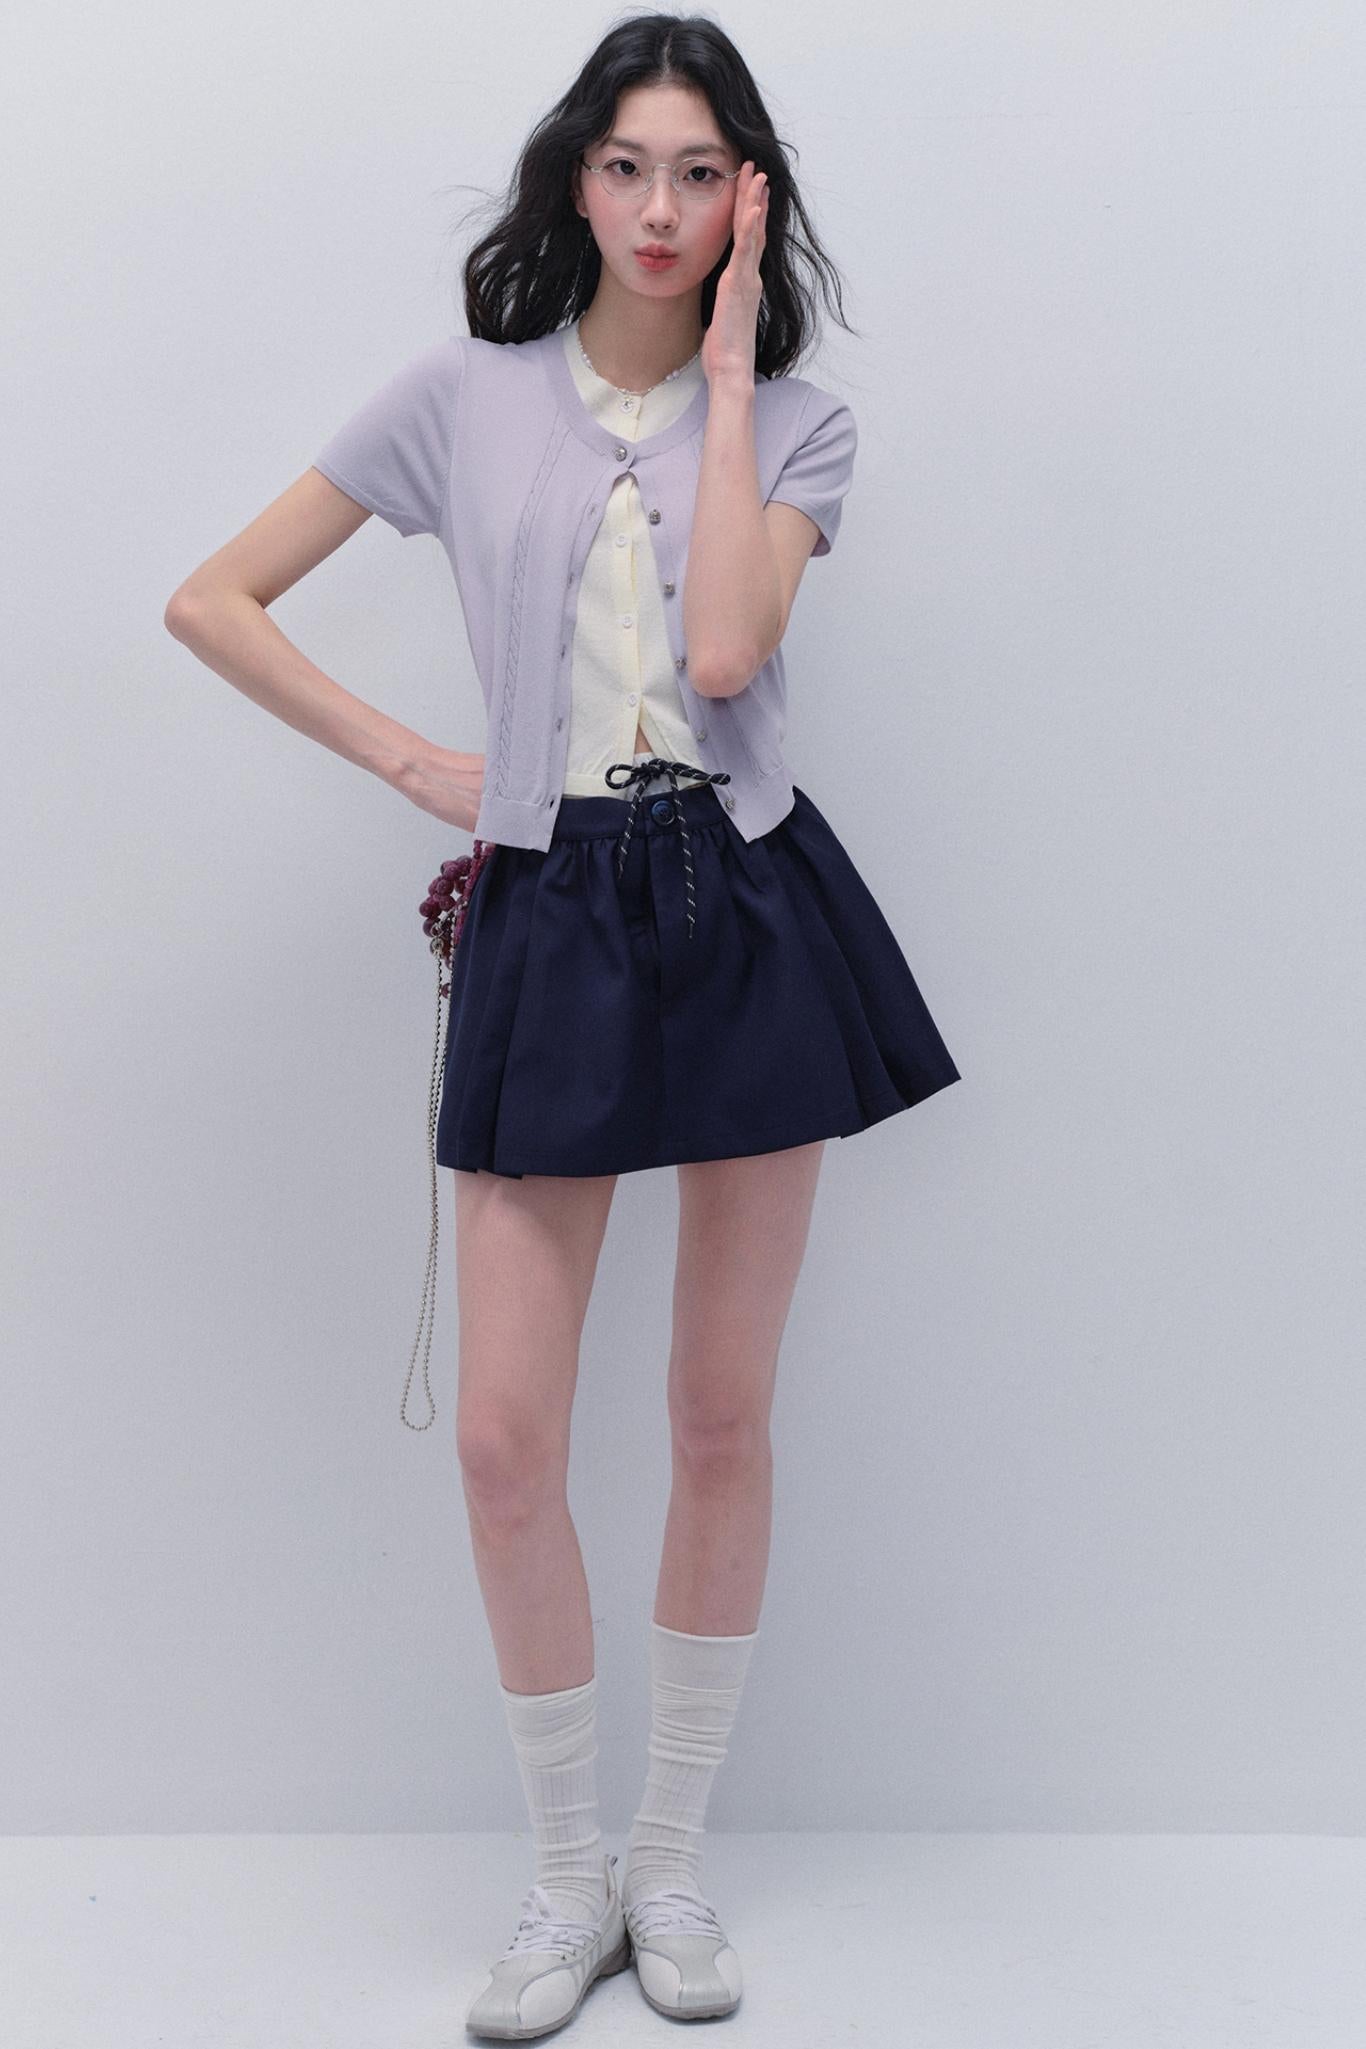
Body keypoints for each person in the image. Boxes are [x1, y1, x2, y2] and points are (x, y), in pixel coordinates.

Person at [164, 13, 960, 2038]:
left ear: (747, 197)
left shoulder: (797, 429)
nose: (658, 209)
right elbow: (214, 599)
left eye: (698, 174)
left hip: (743, 895)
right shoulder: (462, 393)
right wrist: (415, 760)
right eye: (626, 167)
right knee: (506, 1437)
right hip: (551, 906)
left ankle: (666, 1862)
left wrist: (723, 382)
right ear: (574, 180)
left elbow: (723, 649)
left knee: (714, 1412)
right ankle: (563, 1877)